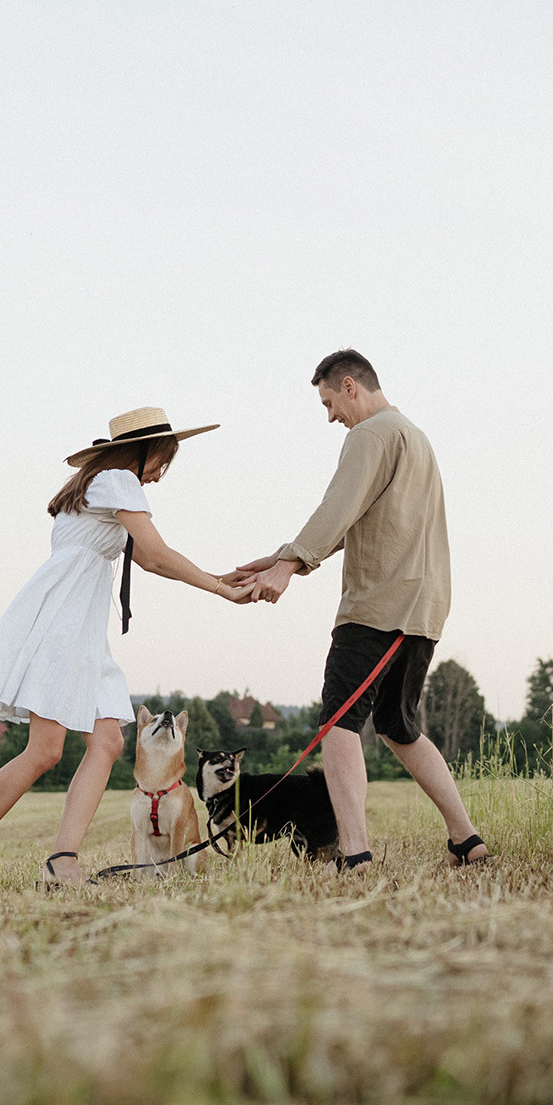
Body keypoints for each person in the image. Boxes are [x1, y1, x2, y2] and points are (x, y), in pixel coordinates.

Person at [0, 407, 251, 892]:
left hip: (80, 627)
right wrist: (219, 590)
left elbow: (147, 560)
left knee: (107, 742)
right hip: (64, 625)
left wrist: (216, 577)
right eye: (162, 461)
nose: (160, 474)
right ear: (141, 451)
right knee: (44, 751)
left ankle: (62, 861)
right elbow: (158, 553)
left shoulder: (97, 486)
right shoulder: (119, 479)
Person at [223, 350, 490, 872]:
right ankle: (466, 840)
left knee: (337, 725)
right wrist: (286, 557)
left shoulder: (368, 436)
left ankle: (355, 854)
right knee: (398, 725)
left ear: (350, 386)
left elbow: (338, 507)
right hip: (424, 606)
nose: (330, 417)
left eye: (328, 403)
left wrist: (289, 567)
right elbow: (368, 520)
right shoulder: (415, 437)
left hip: (379, 606)